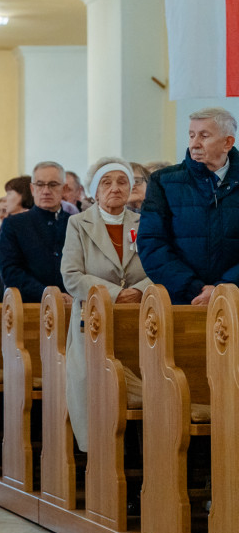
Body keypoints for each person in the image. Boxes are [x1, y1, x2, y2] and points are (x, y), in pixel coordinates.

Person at [61, 157, 151, 453]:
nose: (115, 188)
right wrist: (113, 294)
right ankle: (99, 456)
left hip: (140, 317)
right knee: (92, 383)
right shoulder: (78, 223)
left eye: (122, 181)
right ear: (94, 191)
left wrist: (139, 291)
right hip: (93, 320)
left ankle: (144, 456)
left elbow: (158, 266)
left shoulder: (144, 223)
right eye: (107, 182)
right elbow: (71, 275)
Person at [138, 107, 239, 305]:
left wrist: (226, 287)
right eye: (191, 135)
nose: (194, 144)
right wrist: (194, 287)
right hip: (183, 300)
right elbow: (151, 243)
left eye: (204, 136)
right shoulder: (163, 182)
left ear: (227, 142)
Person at [0, 162, 72, 304]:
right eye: (40, 184)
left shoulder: (75, 223)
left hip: (72, 305)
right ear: (32, 189)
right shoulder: (14, 224)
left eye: (53, 184)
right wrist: (47, 294)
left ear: (64, 189)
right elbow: (10, 271)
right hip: (30, 307)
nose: (46, 191)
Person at [0, 175, 32, 303]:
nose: (5, 199)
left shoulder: (32, 224)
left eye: (9, 193)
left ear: (23, 195)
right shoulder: (6, 224)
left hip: (26, 300)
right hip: (1, 301)